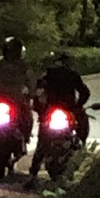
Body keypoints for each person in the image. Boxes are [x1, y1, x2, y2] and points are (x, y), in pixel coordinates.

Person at [28, 51, 92, 179]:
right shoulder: (70, 75)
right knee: (43, 137)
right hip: (64, 109)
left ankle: (34, 171)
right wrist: (77, 106)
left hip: (61, 110)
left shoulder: (47, 76)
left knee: (43, 139)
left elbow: (37, 97)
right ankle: (34, 170)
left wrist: (40, 109)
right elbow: (84, 92)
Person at [0, 36, 36, 148]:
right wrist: (32, 94)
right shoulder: (24, 66)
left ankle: (23, 140)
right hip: (14, 100)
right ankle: (25, 139)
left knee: (27, 117)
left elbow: (31, 83)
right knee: (27, 118)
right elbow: (32, 83)